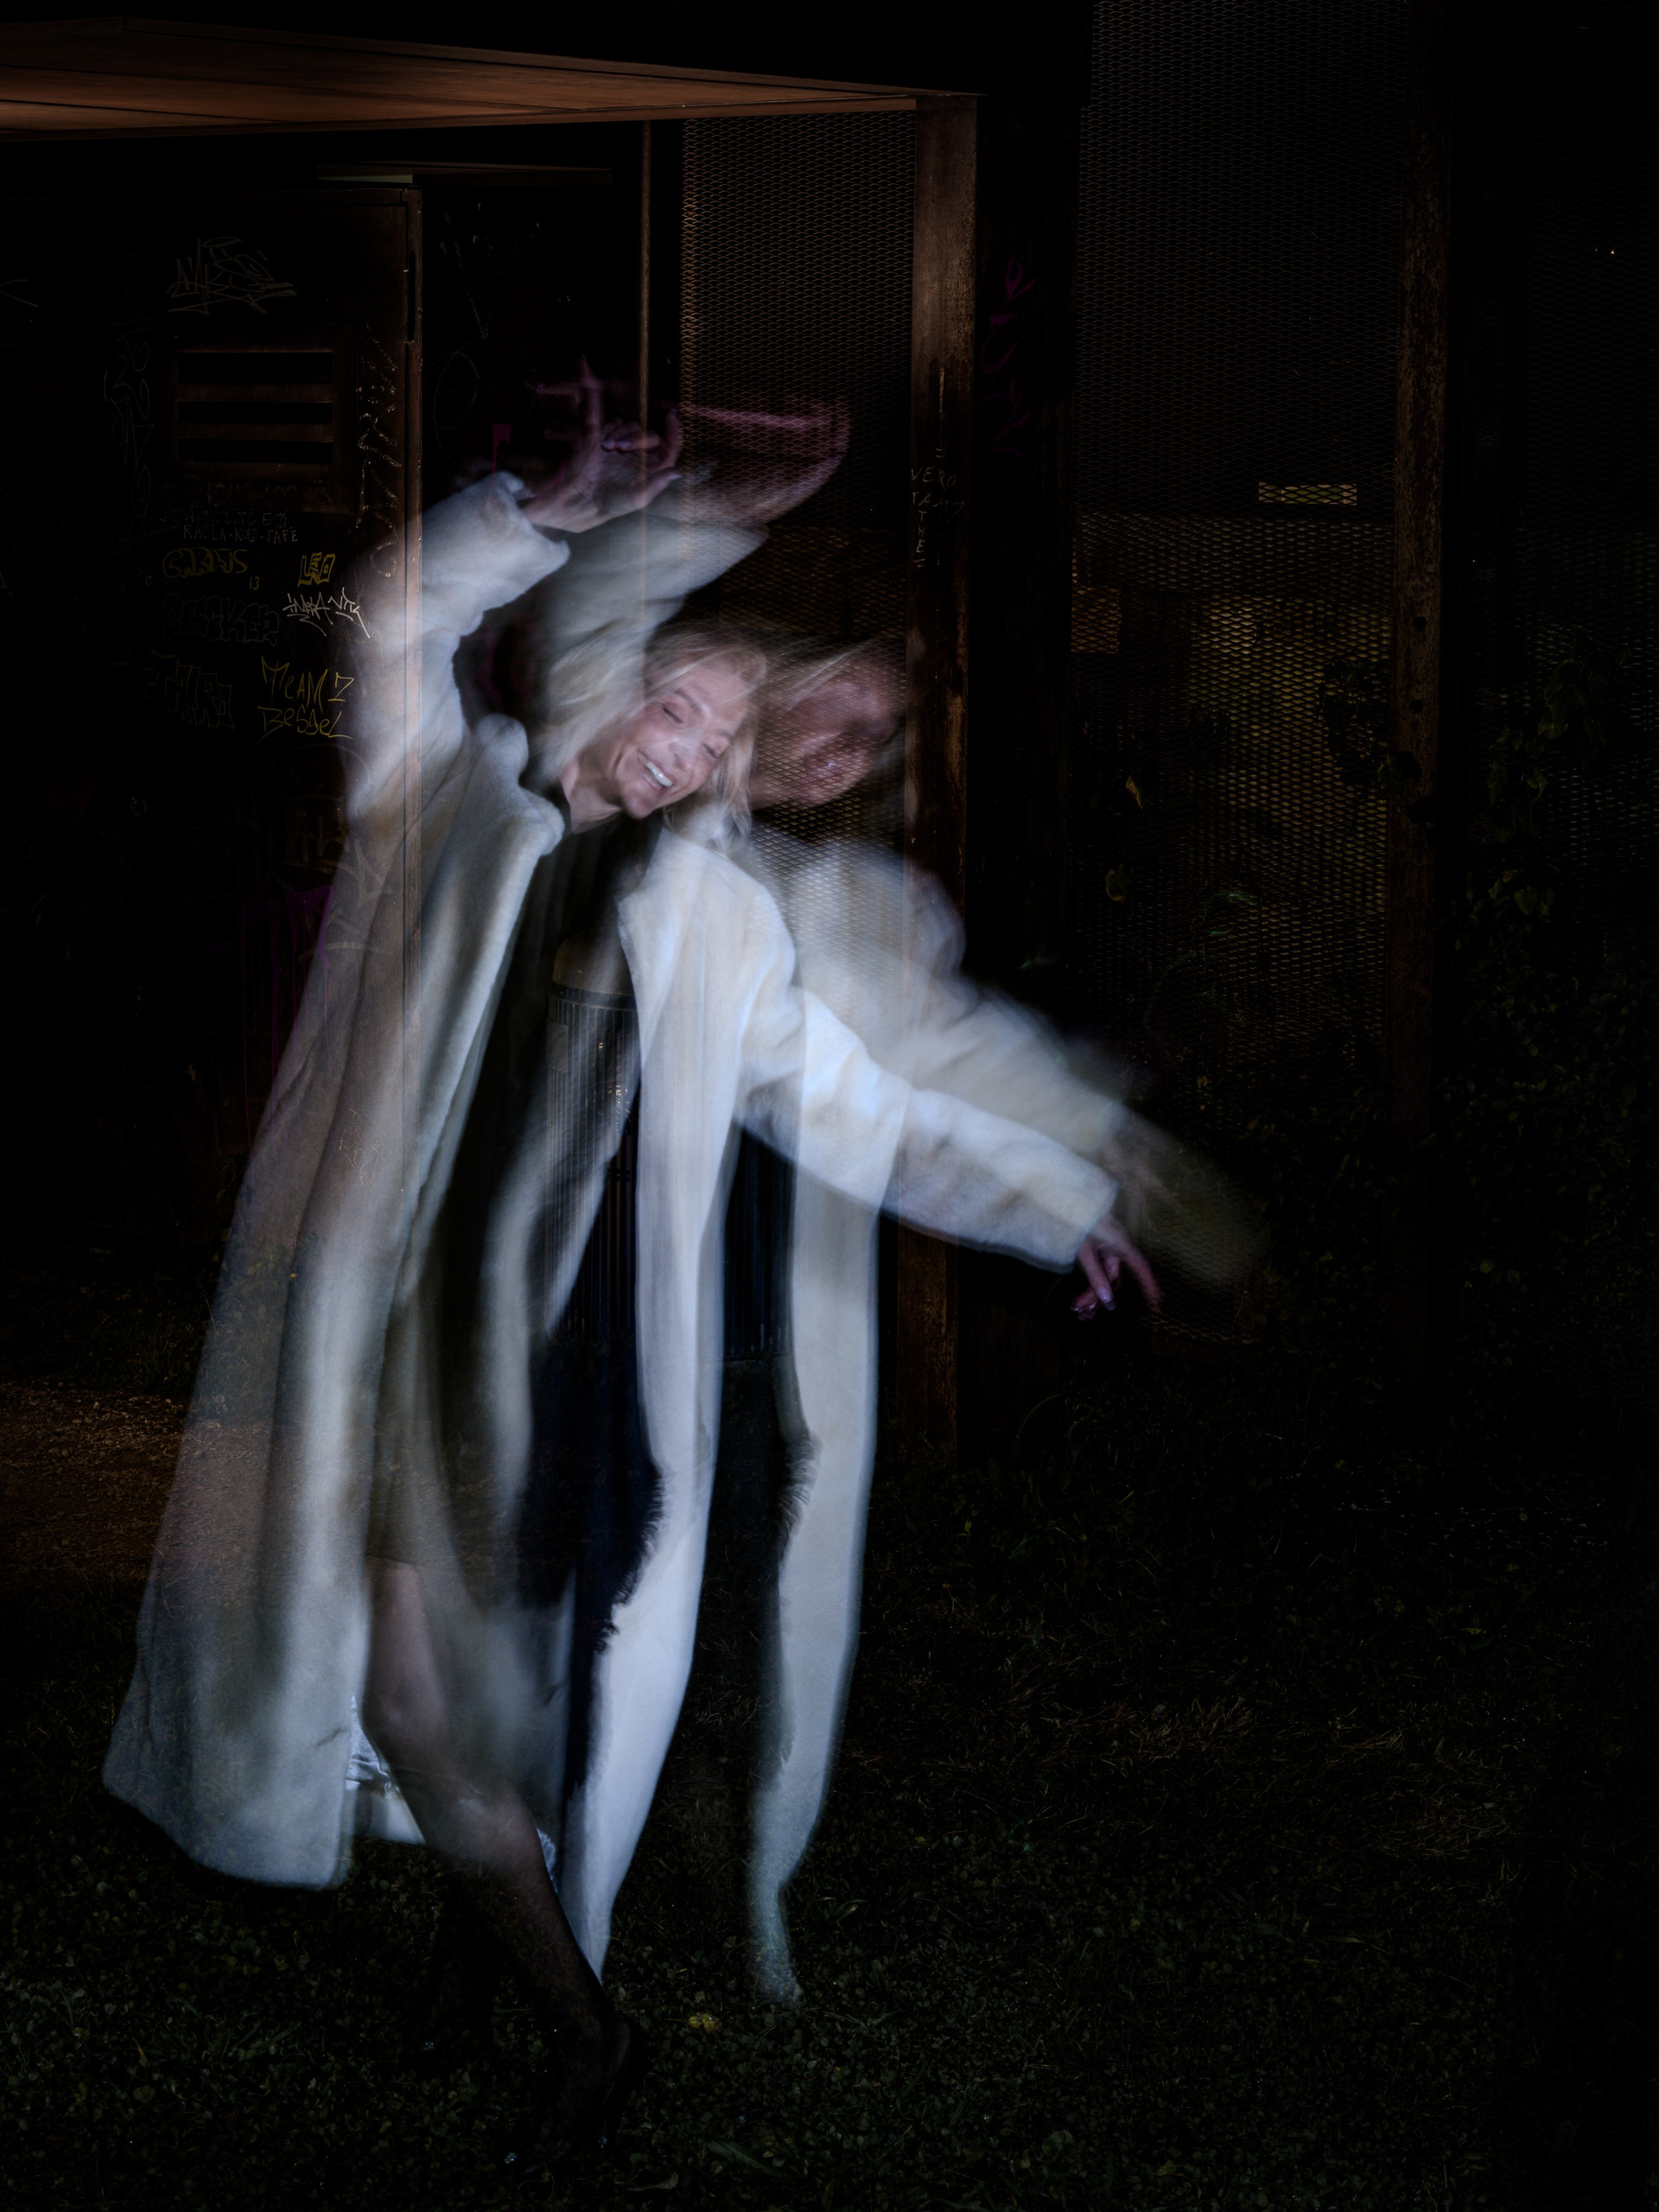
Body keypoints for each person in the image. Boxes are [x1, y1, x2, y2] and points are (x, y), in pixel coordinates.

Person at [104, 402, 1148, 2155]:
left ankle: (584, 2032)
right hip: (368, 1336)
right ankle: (485, 1969)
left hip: (515, 1379)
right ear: (618, 684)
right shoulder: (446, 797)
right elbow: (384, 617)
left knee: (423, 1694)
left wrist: (1061, 1201)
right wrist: (537, 509)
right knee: (431, 1688)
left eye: (723, 736)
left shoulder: (712, 925)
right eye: (677, 703)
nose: (688, 747)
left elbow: (863, 1110)